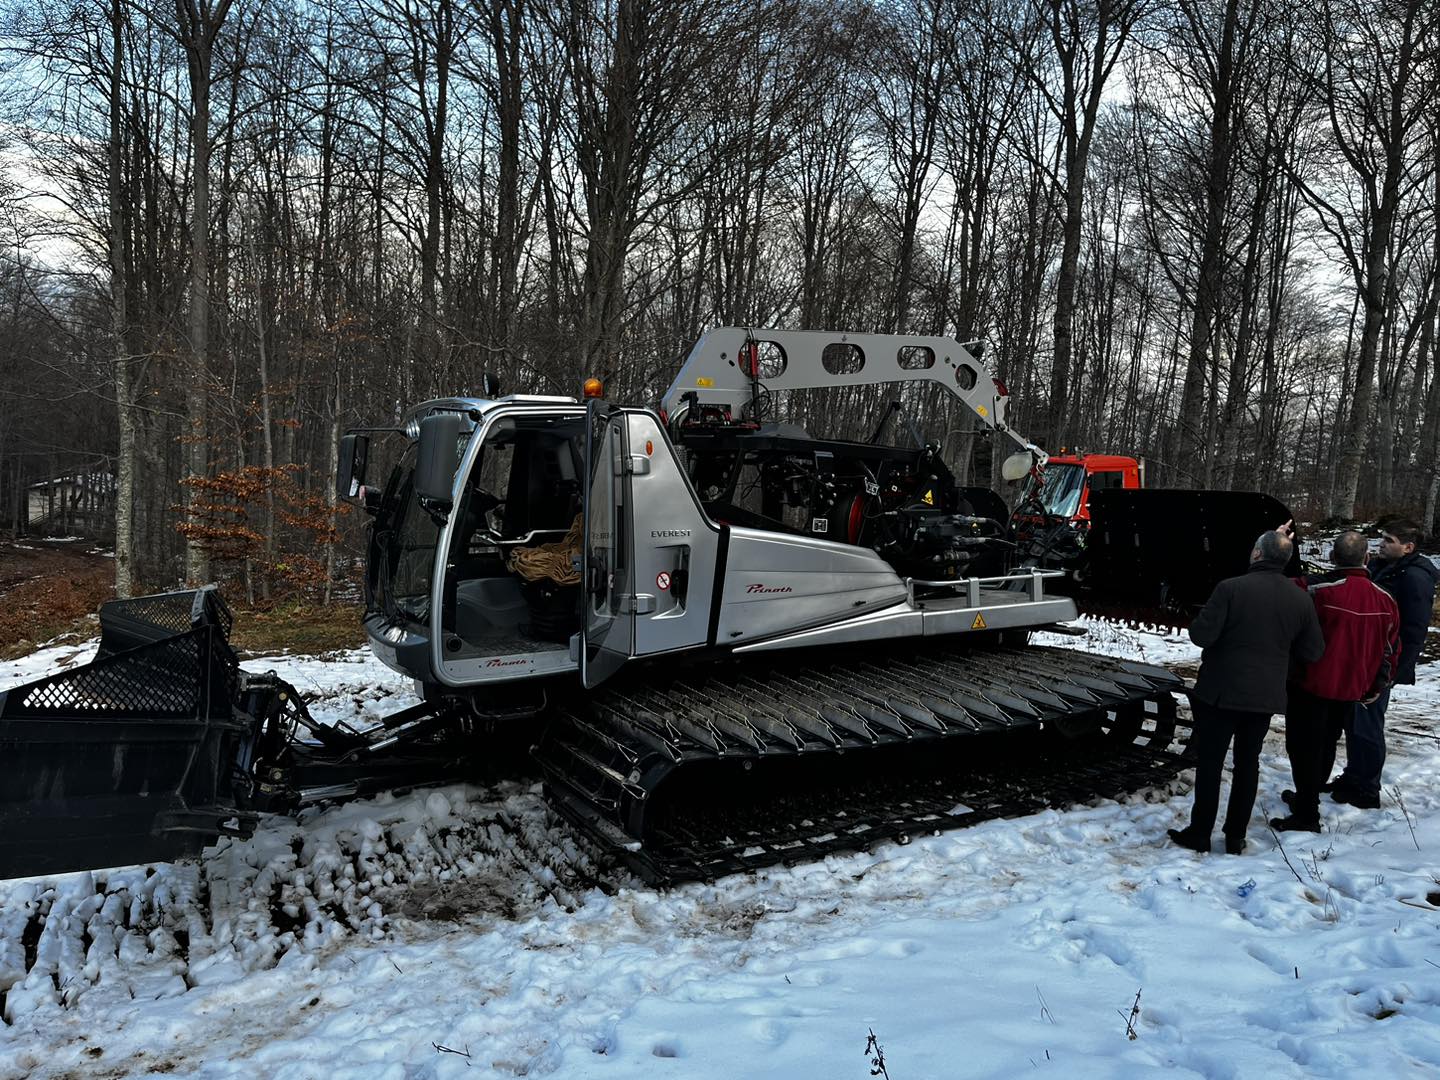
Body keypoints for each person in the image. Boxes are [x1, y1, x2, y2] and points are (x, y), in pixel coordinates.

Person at [1168, 529, 1324, 855]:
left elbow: (1201, 635)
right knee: (1247, 763)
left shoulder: (1231, 588)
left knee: (1210, 763)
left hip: (1220, 692)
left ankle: (1200, 832)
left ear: (1256, 554)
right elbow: (1313, 651)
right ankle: (1236, 836)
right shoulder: (1301, 598)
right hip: (1264, 695)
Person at [1270, 531, 1398, 832]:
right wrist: (1376, 687)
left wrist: (1277, 545)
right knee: (1327, 744)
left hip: (1311, 684)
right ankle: (1306, 799)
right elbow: (1391, 650)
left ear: (1332, 557)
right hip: (1352, 689)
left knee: (1303, 747)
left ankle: (1307, 814)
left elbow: (1274, 587)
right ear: (1367, 558)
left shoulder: (1316, 591)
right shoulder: (1386, 600)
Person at [1328, 519, 1437, 808]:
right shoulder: (1381, 567)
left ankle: (1367, 789)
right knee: (1354, 722)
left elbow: (1414, 629)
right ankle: (1353, 776)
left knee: (1368, 725)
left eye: (1388, 541)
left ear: (1408, 547)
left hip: (1380, 665)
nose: (1381, 544)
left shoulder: (1414, 577)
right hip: (1363, 660)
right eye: (1381, 539)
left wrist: (1391, 673)